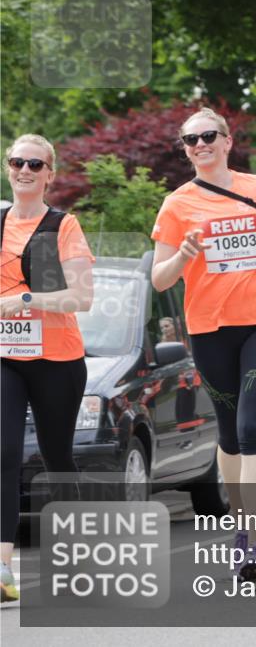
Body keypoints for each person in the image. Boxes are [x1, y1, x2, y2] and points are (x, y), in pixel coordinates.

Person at [150, 108, 256, 581]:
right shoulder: (176, 204)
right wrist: (182, 255)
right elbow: (158, 279)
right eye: (191, 139)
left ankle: (254, 546)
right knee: (229, 436)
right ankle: (240, 531)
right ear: (186, 148)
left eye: (208, 135)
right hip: (211, 329)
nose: (200, 144)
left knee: (253, 429)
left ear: (227, 140)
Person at [1, 134, 95, 603]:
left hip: (58, 359)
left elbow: (81, 297)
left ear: (50, 174)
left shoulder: (63, 225)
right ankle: (3, 572)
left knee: (57, 457)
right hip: (6, 359)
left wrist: (23, 300)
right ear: (7, 166)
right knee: (3, 454)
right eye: (18, 162)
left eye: (35, 165)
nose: (25, 171)